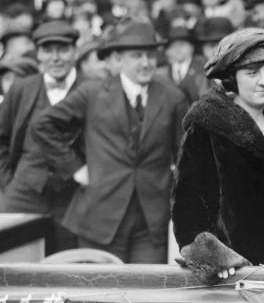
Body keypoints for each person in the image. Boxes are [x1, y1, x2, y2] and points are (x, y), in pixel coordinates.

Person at [33, 20, 189, 263]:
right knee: (100, 292)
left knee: (145, 292)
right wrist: (75, 169)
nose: (146, 62)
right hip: (100, 215)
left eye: (150, 55)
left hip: (150, 219)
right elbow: (43, 126)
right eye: (137, 56)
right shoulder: (93, 93)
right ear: (119, 59)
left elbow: (185, 155)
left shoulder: (173, 97)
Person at [172, 28, 264, 272]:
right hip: (232, 269)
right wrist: (211, 256)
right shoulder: (206, 126)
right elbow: (189, 204)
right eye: (252, 73)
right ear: (231, 78)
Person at [0, 20, 83, 253]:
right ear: (38, 54)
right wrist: (8, 181)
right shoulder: (22, 88)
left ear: (75, 52)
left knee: (69, 265)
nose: (55, 58)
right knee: (10, 259)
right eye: (48, 50)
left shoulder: (93, 88)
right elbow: (1, 138)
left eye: (63, 49)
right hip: (23, 192)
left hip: (71, 196)